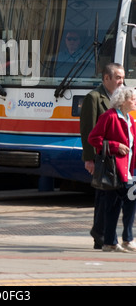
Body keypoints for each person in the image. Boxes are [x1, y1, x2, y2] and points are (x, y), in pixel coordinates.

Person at [80, 63, 125, 249]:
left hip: (117, 157)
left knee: (111, 197)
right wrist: (89, 159)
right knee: (102, 196)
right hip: (102, 155)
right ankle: (100, 234)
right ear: (106, 78)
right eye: (117, 77)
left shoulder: (120, 98)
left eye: (122, 77)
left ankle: (103, 233)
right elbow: (87, 130)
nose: (121, 81)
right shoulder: (94, 98)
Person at [88, 86, 136, 252]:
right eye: (133, 98)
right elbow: (93, 138)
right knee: (114, 204)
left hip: (128, 171)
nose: (135, 101)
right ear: (123, 101)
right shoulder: (109, 116)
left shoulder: (129, 119)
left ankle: (119, 240)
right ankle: (113, 241)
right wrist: (115, 146)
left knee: (125, 202)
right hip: (113, 170)